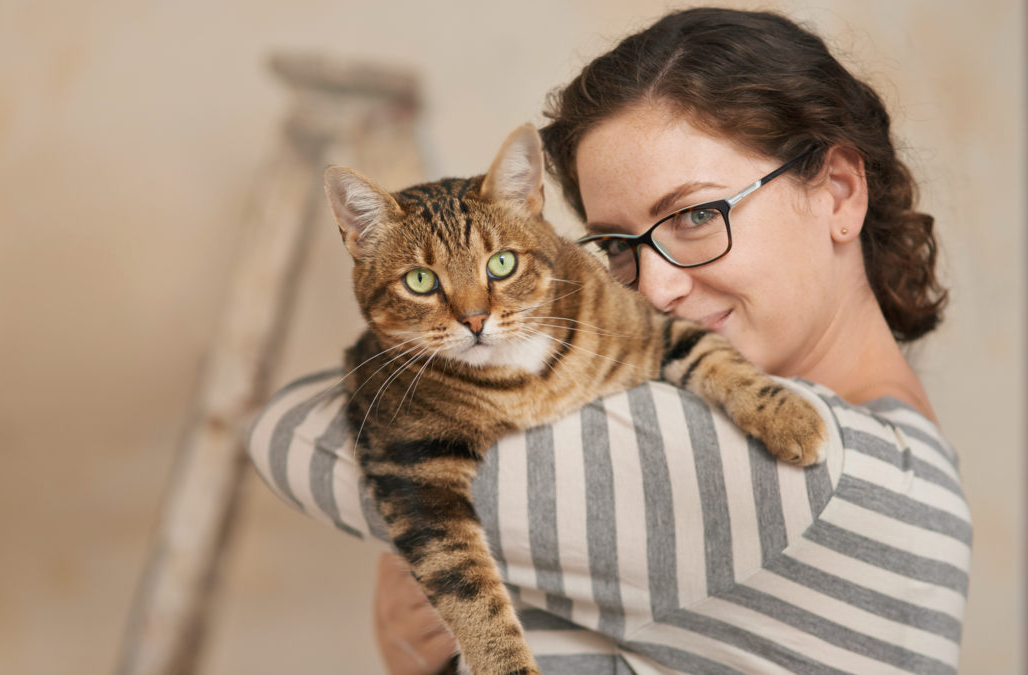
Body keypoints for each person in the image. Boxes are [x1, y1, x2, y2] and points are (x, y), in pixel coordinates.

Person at [247, 8, 970, 674]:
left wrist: (413, 651)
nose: (654, 290)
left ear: (840, 191)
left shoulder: (781, 462)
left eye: (694, 215)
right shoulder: (915, 468)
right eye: (618, 244)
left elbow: (285, 434)